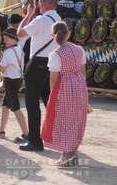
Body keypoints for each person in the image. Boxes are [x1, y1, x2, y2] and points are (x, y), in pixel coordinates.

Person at [17, 0, 61, 151]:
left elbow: (20, 33)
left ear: (48, 3)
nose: (38, 5)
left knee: (32, 105)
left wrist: (28, 14)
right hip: (52, 65)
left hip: (37, 65)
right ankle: (57, 138)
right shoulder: (59, 20)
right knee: (50, 104)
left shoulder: (41, 20)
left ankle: (35, 140)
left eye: (40, 2)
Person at [41, 22, 87, 167]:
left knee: (63, 119)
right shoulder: (79, 49)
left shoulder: (55, 55)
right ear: (68, 33)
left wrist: (52, 93)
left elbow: (53, 78)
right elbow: (83, 71)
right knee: (76, 118)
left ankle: (67, 154)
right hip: (79, 85)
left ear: (52, 36)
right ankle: (72, 152)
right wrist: (82, 87)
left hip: (64, 87)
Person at [0, 27, 28, 142]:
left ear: (14, 39)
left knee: (16, 107)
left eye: (6, 39)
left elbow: (1, 68)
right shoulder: (19, 49)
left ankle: (26, 133)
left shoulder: (8, 52)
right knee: (5, 105)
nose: (4, 41)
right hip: (18, 79)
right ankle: (1, 130)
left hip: (10, 81)